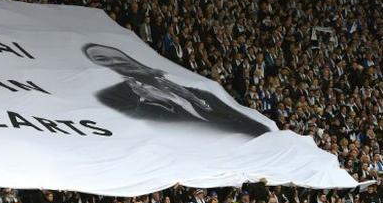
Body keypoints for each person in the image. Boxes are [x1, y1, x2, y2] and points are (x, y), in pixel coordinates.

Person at [83, 43, 270, 136]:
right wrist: (152, 99)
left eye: (113, 55)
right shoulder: (119, 94)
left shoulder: (185, 82)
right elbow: (137, 126)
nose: (114, 61)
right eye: (102, 59)